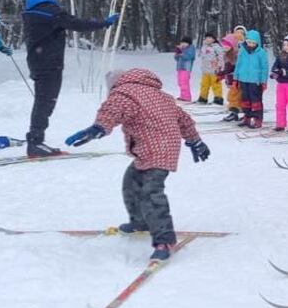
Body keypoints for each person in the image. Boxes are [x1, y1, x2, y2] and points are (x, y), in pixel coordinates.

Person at [65, 68, 210, 262]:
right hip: (159, 148)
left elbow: (113, 109)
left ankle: (164, 240)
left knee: (151, 193)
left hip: (156, 149)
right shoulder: (160, 95)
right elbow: (183, 119)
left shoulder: (124, 93)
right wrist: (195, 140)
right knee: (131, 181)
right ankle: (140, 222)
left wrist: (99, 127)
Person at [22, 0, 117, 157]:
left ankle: (36, 140)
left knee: (44, 101)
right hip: (48, 63)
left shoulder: (35, 7)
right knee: (45, 102)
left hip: (40, 61)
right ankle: (35, 142)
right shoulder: (49, 10)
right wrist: (103, 23)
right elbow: (77, 23)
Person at [232, 30, 268, 129]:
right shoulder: (243, 51)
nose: (251, 44)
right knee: (245, 100)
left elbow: (264, 68)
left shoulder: (261, 53)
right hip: (243, 79)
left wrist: (263, 81)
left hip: (255, 81)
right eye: (249, 42)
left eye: (253, 42)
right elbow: (238, 65)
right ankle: (247, 117)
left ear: (257, 42)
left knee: (256, 101)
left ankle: (257, 119)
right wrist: (236, 79)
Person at [218, 34, 242, 122]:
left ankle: (234, 113)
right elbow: (227, 69)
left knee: (233, 96)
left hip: (235, 81)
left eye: (227, 45)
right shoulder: (227, 55)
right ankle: (235, 111)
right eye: (223, 45)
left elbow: (232, 69)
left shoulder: (236, 56)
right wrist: (222, 74)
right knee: (233, 96)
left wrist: (225, 73)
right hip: (230, 80)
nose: (225, 47)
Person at [197, 33, 224, 105]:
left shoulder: (217, 47)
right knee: (204, 85)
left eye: (210, 38)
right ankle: (203, 97)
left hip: (214, 70)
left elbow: (221, 58)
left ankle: (218, 98)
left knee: (216, 84)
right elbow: (202, 56)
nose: (208, 39)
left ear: (213, 39)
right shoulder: (204, 47)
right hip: (205, 70)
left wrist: (220, 67)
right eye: (206, 38)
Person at [174, 36, 196, 101]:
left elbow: (189, 57)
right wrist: (177, 53)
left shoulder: (191, 49)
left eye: (185, 43)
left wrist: (181, 53)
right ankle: (183, 96)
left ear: (189, 44)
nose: (183, 44)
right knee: (180, 82)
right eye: (182, 42)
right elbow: (176, 59)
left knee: (184, 82)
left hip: (186, 69)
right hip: (180, 68)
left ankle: (186, 97)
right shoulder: (182, 49)